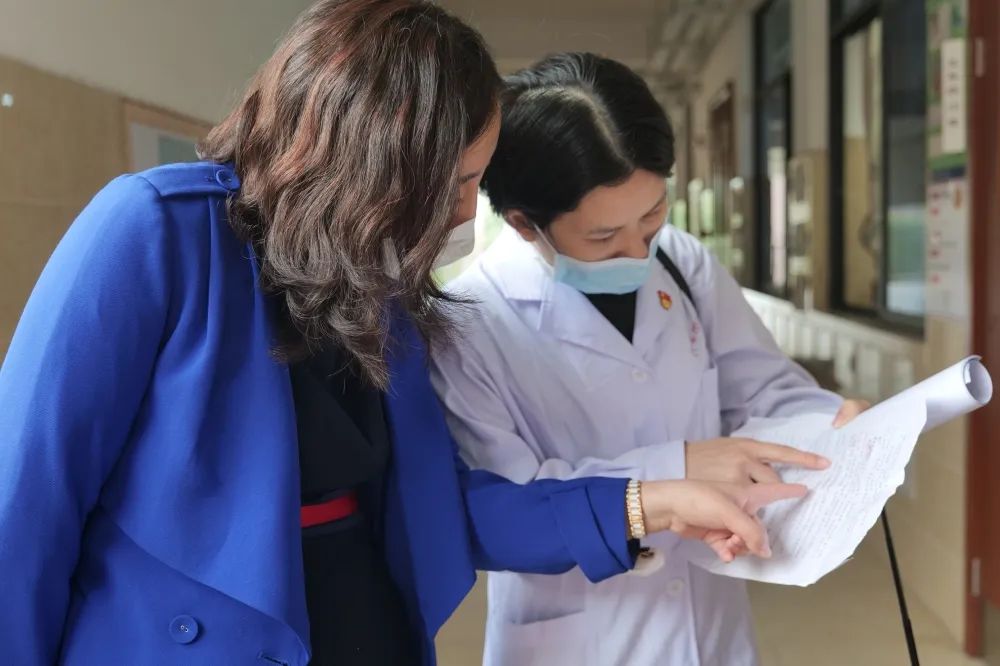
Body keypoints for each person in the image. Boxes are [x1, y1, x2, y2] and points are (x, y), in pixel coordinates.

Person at [0, 6, 807, 666]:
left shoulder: (380, 282)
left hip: (364, 625)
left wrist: (645, 501)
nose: (462, 213)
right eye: (453, 183)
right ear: (367, 158)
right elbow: (27, 504)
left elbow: (443, 502)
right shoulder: (159, 233)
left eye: (473, 183)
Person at [429, 52, 869, 666]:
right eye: (604, 237)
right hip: (580, 635)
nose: (639, 252)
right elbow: (511, 506)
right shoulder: (469, 322)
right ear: (526, 224)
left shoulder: (681, 263)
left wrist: (830, 422)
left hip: (711, 623)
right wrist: (677, 469)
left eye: (652, 215)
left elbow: (765, 391)